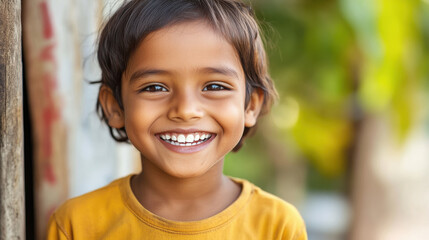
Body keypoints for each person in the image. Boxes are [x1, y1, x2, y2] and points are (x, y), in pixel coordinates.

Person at [47, 0, 307, 239]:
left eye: (214, 86)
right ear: (116, 107)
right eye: (155, 88)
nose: (185, 110)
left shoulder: (277, 227)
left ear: (250, 105)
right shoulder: (77, 225)